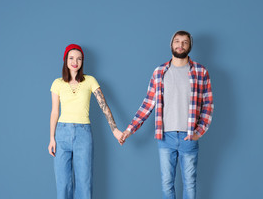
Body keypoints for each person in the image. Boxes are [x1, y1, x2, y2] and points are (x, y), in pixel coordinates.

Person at [120, 31, 214, 199]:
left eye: (185, 42)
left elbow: (208, 105)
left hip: (189, 135)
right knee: (166, 184)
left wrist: (198, 132)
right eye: (177, 41)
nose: (180, 45)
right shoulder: (160, 72)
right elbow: (148, 104)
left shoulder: (201, 72)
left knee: (190, 183)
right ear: (171, 45)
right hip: (165, 137)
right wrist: (129, 129)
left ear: (190, 46)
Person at [48, 44, 123, 199]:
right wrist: (51, 138)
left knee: (84, 183)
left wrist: (114, 130)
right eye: (71, 58)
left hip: (83, 134)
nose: (75, 61)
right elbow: (54, 112)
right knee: (63, 184)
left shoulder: (90, 81)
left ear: (83, 61)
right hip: (61, 134)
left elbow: (104, 106)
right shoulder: (57, 83)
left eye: (79, 58)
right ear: (65, 60)